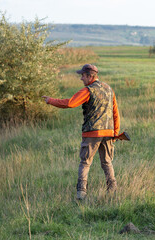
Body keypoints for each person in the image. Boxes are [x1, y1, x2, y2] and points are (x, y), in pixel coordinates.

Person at [42, 64, 120, 200]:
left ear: (90, 76)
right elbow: (115, 112)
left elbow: (70, 103)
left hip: (92, 133)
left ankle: (81, 193)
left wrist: (50, 100)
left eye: (82, 75)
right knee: (107, 162)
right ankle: (112, 190)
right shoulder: (109, 89)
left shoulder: (88, 91)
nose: (81, 79)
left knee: (85, 162)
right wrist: (115, 133)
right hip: (108, 133)